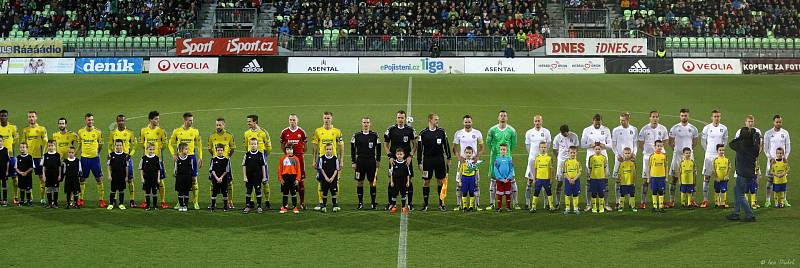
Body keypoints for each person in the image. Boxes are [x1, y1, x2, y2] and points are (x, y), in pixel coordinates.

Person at [417, 113, 451, 211]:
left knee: (440, 181)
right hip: (427, 161)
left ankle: (441, 203)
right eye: (436, 119)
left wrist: (449, 158)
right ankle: (425, 204)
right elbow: (420, 149)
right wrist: (419, 162)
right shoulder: (423, 133)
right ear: (430, 120)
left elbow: (446, 145)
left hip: (439, 160)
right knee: (426, 182)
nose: (437, 121)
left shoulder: (441, 132)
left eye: (437, 119)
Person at [169, 112, 203, 210]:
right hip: (180, 158)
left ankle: (195, 201)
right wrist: (173, 154)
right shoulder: (177, 131)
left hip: (191, 157)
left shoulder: (195, 131)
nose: (191, 122)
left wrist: (200, 156)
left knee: (193, 179)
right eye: (189, 120)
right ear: (184, 120)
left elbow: (200, 144)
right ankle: (179, 202)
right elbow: (170, 144)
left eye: (192, 120)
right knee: (180, 180)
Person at [384, 111, 416, 210]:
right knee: (391, 180)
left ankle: (409, 203)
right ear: (396, 118)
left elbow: (415, 145)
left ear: (405, 119)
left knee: (408, 180)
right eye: (399, 117)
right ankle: (391, 203)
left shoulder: (410, 130)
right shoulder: (390, 130)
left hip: (406, 160)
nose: (400, 119)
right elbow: (385, 145)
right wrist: (390, 156)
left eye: (402, 118)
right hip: (394, 160)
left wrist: (410, 156)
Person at [452, 115, 485, 211]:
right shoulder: (458, 133)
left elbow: (482, 147)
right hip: (462, 162)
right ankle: (459, 205)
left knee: (475, 183)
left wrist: (477, 157)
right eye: (466, 122)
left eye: (469, 122)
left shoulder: (477, 133)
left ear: (472, 122)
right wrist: (459, 158)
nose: (467, 123)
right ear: (463, 122)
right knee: (459, 183)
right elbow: (454, 147)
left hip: (473, 163)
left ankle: (476, 205)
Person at [486, 110, 518, 210]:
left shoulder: (512, 130)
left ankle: (515, 203)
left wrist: (507, 153)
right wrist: (495, 151)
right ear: (498, 117)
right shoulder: (492, 130)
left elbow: (514, 144)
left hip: (507, 157)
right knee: (494, 179)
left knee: (511, 179)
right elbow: (488, 142)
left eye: (504, 116)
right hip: (495, 157)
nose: (503, 117)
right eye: (501, 115)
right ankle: (492, 203)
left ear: (507, 118)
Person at [727, 127, 760, 222]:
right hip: (750, 174)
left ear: (742, 136)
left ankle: (750, 216)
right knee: (737, 191)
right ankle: (736, 213)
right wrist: (755, 137)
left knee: (740, 194)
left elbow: (731, 143)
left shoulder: (740, 145)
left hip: (742, 174)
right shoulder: (755, 147)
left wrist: (740, 137)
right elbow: (757, 144)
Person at [312, 112, 343, 211]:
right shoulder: (318, 131)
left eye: (328, 118)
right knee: (320, 181)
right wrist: (314, 160)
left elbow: (341, 146)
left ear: (332, 119)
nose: (326, 120)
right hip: (322, 159)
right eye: (325, 118)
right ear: (322, 118)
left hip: (334, 159)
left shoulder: (337, 131)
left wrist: (341, 160)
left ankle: (335, 202)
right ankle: (321, 202)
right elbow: (315, 146)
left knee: (336, 180)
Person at [668, 108, 699, 208]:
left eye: (685, 115)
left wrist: (687, 153)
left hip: (689, 157)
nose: (684, 117)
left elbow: (695, 142)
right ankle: (671, 200)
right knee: (674, 178)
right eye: (682, 115)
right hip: (677, 156)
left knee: (692, 178)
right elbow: (670, 142)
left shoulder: (693, 129)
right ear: (679, 116)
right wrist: (677, 150)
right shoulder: (675, 128)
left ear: (688, 116)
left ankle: (692, 200)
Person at [638, 111, 668, 208]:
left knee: (661, 179)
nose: (655, 118)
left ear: (658, 118)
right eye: (653, 117)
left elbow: (666, 141)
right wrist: (648, 152)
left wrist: (660, 151)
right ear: (650, 118)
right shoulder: (644, 129)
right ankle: (643, 201)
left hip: (660, 157)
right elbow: (641, 143)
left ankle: (661, 202)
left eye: (656, 117)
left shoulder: (663, 128)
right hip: (648, 157)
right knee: (646, 180)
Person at [581, 114, 611, 211]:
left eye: (599, 123)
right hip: (590, 159)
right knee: (589, 181)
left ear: (601, 121)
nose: (597, 125)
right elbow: (582, 145)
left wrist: (603, 145)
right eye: (596, 123)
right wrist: (592, 144)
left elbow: (610, 145)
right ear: (593, 121)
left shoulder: (606, 130)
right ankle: (589, 204)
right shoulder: (587, 130)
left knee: (605, 181)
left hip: (603, 159)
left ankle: (605, 204)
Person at [139, 111, 169, 209]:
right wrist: (147, 151)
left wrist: (158, 150)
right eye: (156, 119)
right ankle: (145, 201)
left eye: (158, 118)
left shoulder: (161, 131)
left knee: (160, 180)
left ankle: (163, 201)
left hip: (158, 158)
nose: (158, 120)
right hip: (147, 159)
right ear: (150, 120)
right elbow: (141, 143)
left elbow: (164, 144)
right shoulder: (143, 130)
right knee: (146, 179)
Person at [351, 116, 381, 210]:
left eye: (367, 122)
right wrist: (353, 161)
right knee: (360, 182)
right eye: (364, 122)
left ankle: (373, 202)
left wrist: (378, 160)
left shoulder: (374, 135)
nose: (366, 124)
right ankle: (360, 203)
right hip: (360, 161)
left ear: (370, 124)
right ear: (362, 123)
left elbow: (379, 148)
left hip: (371, 161)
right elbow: (352, 149)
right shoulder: (356, 135)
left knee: (372, 182)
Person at [734, 115, 763, 209]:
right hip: (743, 160)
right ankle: (744, 202)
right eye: (749, 121)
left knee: (755, 179)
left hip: (753, 159)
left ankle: (753, 202)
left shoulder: (757, 131)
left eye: (752, 121)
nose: (750, 123)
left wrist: (755, 155)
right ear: (745, 122)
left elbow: (760, 145)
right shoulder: (740, 131)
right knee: (742, 181)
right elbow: (737, 145)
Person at [244, 114, 273, 209]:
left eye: (249, 121)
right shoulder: (246, 133)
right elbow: (245, 147)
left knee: (265, 181)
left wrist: (263, 156)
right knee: (250, 181)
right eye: (247, 121)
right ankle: (251, 201)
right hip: (250, 160)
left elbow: (269, 147)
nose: (248, 123)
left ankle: (267, 201)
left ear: (255, 122)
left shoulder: (263, 132)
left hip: (260, 160)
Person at [109, 114, 137, 208]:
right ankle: (114, 200)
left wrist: (130, 155)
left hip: (126, 158)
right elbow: (110, 146)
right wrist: (109, 154)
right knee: (115, 178)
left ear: (125, 121)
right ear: (117, 122)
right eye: (119, 121)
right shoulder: (113, 133)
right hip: (116, 158)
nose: (121, 122)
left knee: (130, 179)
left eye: (123, 120)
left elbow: (135, 145)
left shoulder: (130, 132)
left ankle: (132, 200)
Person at [524, 115, 551, 210]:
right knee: (530, 181)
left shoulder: (546, 132)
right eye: (536, 121)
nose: (537, 122)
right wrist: (532, 156)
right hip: (532, 160)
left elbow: (548, 145)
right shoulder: (529, 132)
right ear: (533, 122)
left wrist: (543, 156)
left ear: (542, 121)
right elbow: (527, 146)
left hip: (543, 160)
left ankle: (546, 202)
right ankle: (527, 202)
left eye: (539, 121)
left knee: (545, 181)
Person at [701, 110, 728, 208]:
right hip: (709, 156)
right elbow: (703, 142)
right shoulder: (707, 128)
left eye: (718, 116)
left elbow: (725, 141)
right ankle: (705, 200)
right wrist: (708, 151)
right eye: (715, 116)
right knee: (707, 177)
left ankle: (721, 201)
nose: (717, 118)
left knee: (720, 177)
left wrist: (719, 152)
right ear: (711, 117)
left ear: (720, 117)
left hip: (719, 157)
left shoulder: (724, 128)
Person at [280, 114, 307, 209]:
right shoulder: (284, 132)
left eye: (294, 120)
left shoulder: (301, 132)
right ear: (288, 121)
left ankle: (302, 202)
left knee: (301, 181)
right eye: (290, 120)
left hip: (299, 159)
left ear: (297, 120)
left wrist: (301, 153)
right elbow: (282, 145)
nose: (292, 121)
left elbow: (305, 146)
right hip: (289, 161)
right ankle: (286, 203)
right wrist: (287, 155)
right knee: (287, 180)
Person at [77, 113, 104, 208]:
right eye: (89, 120)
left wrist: (97, 153)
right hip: (84, 159)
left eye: (92, 120)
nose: (91, 121)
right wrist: (77, 153)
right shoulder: (80, 132)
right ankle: (80, 199)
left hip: (95, 159)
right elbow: (80, 144)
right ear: (85, 120)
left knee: (98, 179)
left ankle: (101, 200)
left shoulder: (98, 132)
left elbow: (100, 144)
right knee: (82, 179)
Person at [207, 118, 235, 210]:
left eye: (220, 125)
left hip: (226, 161)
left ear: (224, 125)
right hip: (215, 161)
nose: (218, 126)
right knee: (212, 182)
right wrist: (215, 157)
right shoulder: (212, 136)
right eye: (217, 125)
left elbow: (233, 148)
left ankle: (230, 202)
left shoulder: (229, 136)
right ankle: (213, 203)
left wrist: (227, 157)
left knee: (229, 182)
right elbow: (210, 149)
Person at [763, 115, 791, 207]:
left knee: (783, 182)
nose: (778, 123)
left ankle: (784, 200)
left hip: (782, 163)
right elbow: (765, 148)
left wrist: (785, 158)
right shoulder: (768, 133)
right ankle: (768, 200)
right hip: (772, 162)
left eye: (780, 122)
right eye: (777, 122)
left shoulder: (785, 133)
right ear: (773, 122)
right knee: (770, 181)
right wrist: (770, 158)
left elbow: (788, 147)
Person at [612, 112, 637, 210]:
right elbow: (614, 144)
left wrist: (634, 154)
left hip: (630, 158)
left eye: (623, 120)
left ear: (628, 120)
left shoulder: (634, 129)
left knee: (631, 178)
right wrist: (617, 155)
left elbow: (635, 144)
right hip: (619, 159)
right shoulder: (616, 130)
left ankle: (631, 201)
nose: (621, 122)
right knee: (618, 180)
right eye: (620, 120)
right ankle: (618, 201)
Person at [22, 111, 48, 207]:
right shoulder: (25, 130)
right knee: (27, 178)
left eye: (33, 116)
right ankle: (30, 199)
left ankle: (42, 199)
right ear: (28, 118)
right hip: (28, 158)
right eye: (29, 117)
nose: (31, 118)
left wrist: (44, 156)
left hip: (38, 158)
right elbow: (23, 144)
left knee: (41, 178)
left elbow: (46, 143)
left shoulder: (41, 129)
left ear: (36, 117)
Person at [553, 125, 579, 209]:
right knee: (559, 182)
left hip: (571, 162)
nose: (565, 135)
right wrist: (560, 158)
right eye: (563, 134)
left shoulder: (574, 136)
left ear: (568, 131)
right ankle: (557, 202)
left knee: (572, 181)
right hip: (561, 162)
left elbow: (576, 148)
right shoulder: (557, 137)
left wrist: (572, 158)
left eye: (566, 133)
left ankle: (574, 204)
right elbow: (554, 149)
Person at [0, 110, 20, 205]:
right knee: (2, 179)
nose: (3, 117)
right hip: (1, 158)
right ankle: (2, 198)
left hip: (11, 156)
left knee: (15, 178)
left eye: (5, 116)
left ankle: (15, 197)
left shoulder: (12, 127)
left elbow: (16, 140)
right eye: (1, 116)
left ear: (7, 117)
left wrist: (10, 148)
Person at [242, 138, 266, 214]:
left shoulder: (260, 155)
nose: (253, 145)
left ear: (257, 145)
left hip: (258, 177)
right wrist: (245, 176)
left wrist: (264, 176)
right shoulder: (247, 155)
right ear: (249, 145)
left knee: (258, 191)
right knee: (248, 191)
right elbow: (244, 166)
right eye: (252, 144)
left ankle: (259, 206)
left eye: (255, 144)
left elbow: (263, 166)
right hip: (249, 177)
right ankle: (247, 206)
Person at [530, 141, 555, 212]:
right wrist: (534, 179)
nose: (543, 149)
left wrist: (551, 178)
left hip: (547, 179)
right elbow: (535, 168)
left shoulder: (549, 158)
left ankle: (551, 206)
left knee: (549, 192)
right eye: (542, 147)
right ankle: (533, 207)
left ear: (546, 148)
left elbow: (551, 169)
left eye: (544, 147)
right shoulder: (537, 158)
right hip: (539, 179)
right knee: (536, 192)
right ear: (539, 148)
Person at [107, 139, 130, 210]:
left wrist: (126, 176)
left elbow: (126, 167)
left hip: (122, 176)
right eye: (117, 145)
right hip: (114, 175)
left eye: (120, 145)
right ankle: (111, 204)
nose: (118, 147)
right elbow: (108, 166)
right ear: (115, 146)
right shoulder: (111, 155)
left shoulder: (125, 156)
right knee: (113, 190)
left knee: (121, 190)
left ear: (122, 146)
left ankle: (121, 204)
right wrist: (109, 175)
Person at [318, 143, 341, 213]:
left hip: (332, 179)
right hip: (325, 179)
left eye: (330, 149)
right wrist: (326, 177)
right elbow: (321, 169)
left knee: (333, 192)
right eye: (327, 149)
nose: (328, 151)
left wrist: (332, 177)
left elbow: (336, 169)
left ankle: (334, 205)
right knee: (324, 192)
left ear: (332, 150)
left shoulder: (335, 159)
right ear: (325, 150)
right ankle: (324, 206)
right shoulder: (322, 158)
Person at [278, 146, 301, 214]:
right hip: (285, 178)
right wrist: (281, 179)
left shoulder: (296, 159)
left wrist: (297, 179)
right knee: (285, 192)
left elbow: (298, 170)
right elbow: (279, 170)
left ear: (293, 150)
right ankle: (284, 207)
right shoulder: (282, 159)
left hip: (293, 178)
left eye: (291, 149)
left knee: (293, 193)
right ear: (285, 150)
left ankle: (294, 207)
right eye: (287, 149)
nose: (289, 151)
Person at [208, 144, 231, 212]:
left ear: (223, 151)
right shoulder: (213, 159)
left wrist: (220, 177)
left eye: (221, 150)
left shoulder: (226, 160)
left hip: (223, 179)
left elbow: (226, 170)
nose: (220, 151)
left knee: (224, 192)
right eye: (218, 150)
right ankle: (213, 206)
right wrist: (217, 178)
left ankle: (225, 206)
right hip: (215, 179)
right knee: (214, 192)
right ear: (216, 151)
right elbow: (212, 170)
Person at [457, 146, 480, 212]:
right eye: (467, 153)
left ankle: (471, 206)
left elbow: (476, 172)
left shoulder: (474, 162)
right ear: (464, 153)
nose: (468, 154)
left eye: (470, 153)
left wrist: (476, 181)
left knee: (471, 192)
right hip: (464, 178)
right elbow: (460, 172)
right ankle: (464, 206)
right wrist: (460, 181)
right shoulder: (462, 162)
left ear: (472, 154)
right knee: (464, 192)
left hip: (471, 178)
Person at [139, 143, 161, 211]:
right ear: (147, 149)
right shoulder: (144, 158)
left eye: (153, 149)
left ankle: (155, 206)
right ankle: (148, 206)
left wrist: (158, 178)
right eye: (150, 149)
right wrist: (142, 178)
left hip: (154, 178)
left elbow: (158, 170)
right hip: (146, 178)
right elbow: (141, 169)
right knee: (147, 192)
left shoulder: (156, 158)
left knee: (155, 192)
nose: (151, 151)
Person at [389, 148, 411, 214]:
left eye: (401, 154)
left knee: (403, 194)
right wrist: (392, 182)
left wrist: (408, 181)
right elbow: (392, 174)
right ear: (395, 155)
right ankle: (394, 206)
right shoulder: (394, 163)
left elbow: (408, 174)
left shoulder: (405, 164)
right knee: (394, 194)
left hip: (403, 182)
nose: (399, 155)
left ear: (403, 155)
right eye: (398, 154)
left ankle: (403, 207)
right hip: (396, 182)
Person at [493, 144, 514, 212]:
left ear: (506, 150)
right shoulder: (497, 159)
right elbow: (496, 170)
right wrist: (501, 178)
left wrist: (508, 178)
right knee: (500, 194)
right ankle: (499, 207)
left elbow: (511, 169)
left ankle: (508, 207)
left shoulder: (509, 159)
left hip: (508, 180)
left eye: (504, 150)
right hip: (500, 180)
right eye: (501, 149)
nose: (502, 151)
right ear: (499, 150)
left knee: (508, 193)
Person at [648, 140, 668, 213]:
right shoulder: (652, 156)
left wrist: (666, 177)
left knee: (661, 191)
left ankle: (661, 206)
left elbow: (666, 166)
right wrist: (648, 177)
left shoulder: (664, 156)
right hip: (654, 177)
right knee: (654, 191)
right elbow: (649, 167)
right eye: (658, 146)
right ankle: (655, 206)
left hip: (661, 177)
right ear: (654, 146)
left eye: (661, 146)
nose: (659, 147)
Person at [588, 143, 608, 213]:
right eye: (596, 149)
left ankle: (601, 207)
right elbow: (590, 168)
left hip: (601, 178)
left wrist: (605, 176)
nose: (597, 150)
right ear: (594, 150)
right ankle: (594, 207)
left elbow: (605, 168)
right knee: (593, 193)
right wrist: (589, 176)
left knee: (601, 193)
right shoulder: (591, 158)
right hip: (593, 178)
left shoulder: (604, 158)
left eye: (599, 149)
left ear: (601, 149)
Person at [174, 143, 194, 212]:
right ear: (181, 150)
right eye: (186, 149)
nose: (187, 150)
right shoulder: (177, 159)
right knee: (180, 192)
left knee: (186, 192)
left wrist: (192, 176)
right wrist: (176, 174)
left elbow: (192, 168)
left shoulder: (189, 158)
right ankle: (181, 205)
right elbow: (175, 169)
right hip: (180, 177)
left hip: (188, 177)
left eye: (187, 149)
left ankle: (185, 205)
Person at [562, 146, 582, 214]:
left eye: (574, 152)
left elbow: (579, 172)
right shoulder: (566, 162)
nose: (572, 154)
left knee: (575, 194)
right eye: (571, 152)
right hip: (568, 181)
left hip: (576, 181)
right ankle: (567, 208)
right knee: (567, 194)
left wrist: (574, 179)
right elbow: (564, 173)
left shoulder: (578, 162)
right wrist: (569, 179)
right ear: (568, 153)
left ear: (576, 153)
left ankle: (575, 208)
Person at [41, 140, 61, 208]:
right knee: (48, 189)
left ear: (55, 146)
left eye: (52, 145)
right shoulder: (45, 155)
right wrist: (43, 175)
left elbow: (59, 166)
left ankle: (55, 203)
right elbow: (43, 166)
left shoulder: (57, 155)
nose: (50, 147)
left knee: (55, 189)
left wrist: (59, 175)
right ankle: (49, 203)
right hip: (48, 175)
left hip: (55, 175)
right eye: (49, 146)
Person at [617, 147, 637, 212]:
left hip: (630, 182)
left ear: (631, 154)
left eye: (628, 153)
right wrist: (618, 180)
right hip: (623, 182)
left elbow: (634, 173)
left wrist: (634, 181)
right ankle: (621, 206)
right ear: (623, 154)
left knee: (632, 194)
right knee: (622, 194)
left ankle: (633, 206)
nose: (627, 154)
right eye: (626, 153)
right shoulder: (622, 164)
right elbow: (619, 173)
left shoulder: (632, 163)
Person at [0, 136, 9, 206]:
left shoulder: (6, 150)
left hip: (3, 171)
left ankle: (5, 200)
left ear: (2, 141)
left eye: (0, 141)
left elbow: (7, 162)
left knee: (4, 185)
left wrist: (7, 171)